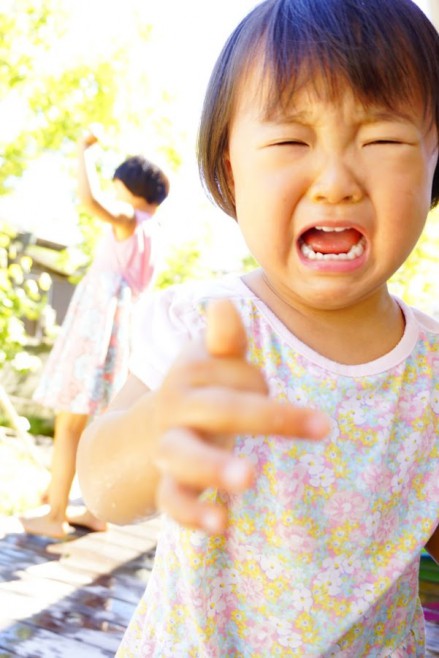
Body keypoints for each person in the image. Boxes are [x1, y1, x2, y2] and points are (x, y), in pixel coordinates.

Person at [77, 0, 439, 654]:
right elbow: (102, 487)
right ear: (229, 173)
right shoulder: (208, 327)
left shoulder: (433, 370)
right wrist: (159, 429)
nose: (335, 181)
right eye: (289, 141)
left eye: (382, 139)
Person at [21, 130, 170, 539]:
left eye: (118, 183)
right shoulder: (154, 234)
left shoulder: (128, 221)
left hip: (96, 327)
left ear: (133, 189)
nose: (114, 190)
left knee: (69, 423)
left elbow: (88, 202)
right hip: (120, 331)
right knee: (93, 425)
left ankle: (55, 517)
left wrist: (81, 150)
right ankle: (91, 510)